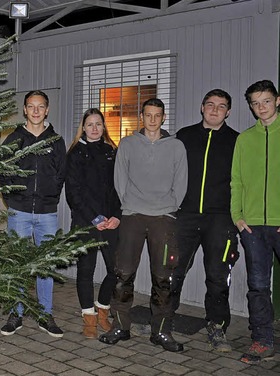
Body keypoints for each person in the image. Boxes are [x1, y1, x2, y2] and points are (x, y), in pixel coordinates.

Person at [99, 98, 187, 352]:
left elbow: (181, 183)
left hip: (164, 218)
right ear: (141, 116)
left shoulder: (176, 147)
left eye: (157, 115)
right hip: (133, 215)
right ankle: (120, 327)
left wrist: (168, 207)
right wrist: (130, 205)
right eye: (148, 114)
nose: (152, 119)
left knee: (163, 277)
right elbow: (120, 181)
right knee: (123, 273)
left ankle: (161, 331)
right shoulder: (127, 144)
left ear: (163, 117)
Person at [171, 89, 239, 352]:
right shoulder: (184, 137)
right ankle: (163, 318)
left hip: (221, 220)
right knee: (173, 271)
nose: (214, 110)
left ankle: (217, 327)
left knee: (218, 276)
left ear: (228, 112)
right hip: (185, 216)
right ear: (202, 107)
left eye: (221, 107)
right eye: (210, 105)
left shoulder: (237, 141)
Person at [0, 90, 67, 338]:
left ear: (47, 110)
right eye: (31, 106)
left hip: (46, 214)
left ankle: (44, 314)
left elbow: (61, 175)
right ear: (25, 110)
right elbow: (2, 172)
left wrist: (50, 199)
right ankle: (15, 313)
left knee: (44, 266)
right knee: (18, 264)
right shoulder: (14, 139)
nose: (36, 111)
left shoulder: (56, 141)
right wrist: (13, 199)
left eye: (41, 106)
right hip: (19, 212)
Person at [232, 79, 280, 365]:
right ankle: (262, 341)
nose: (261, 107)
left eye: (266, 101)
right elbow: (236, 182)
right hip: (252, 227)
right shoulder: (245, 139)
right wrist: (237, 217)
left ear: (277, 100)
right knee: (258, 285)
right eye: (255, 103)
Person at [65, 108, 120, 339]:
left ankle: (102, 311)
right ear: (83, 128)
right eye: (90, 124)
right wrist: (94, 219)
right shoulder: (75, 153)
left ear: (103, 127)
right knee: (86, 271)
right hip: (86, 222)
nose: (95, 128)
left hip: (111, 222)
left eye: (99, 124)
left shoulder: (112, 152)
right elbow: (73, 194)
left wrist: (117, 215)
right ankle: (88, 318)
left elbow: (119, 188)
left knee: (116, 270)